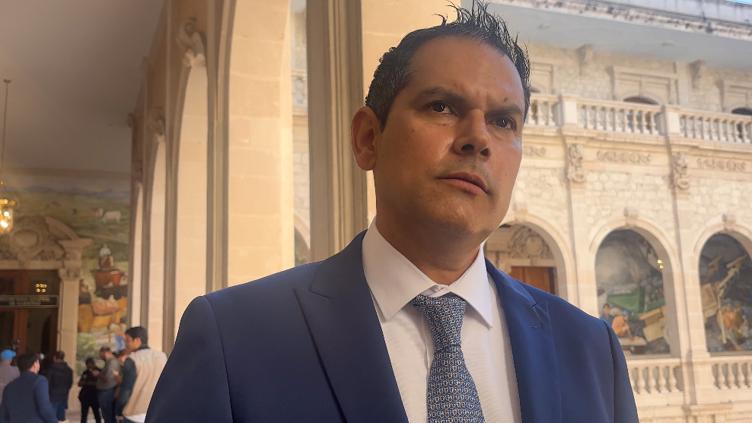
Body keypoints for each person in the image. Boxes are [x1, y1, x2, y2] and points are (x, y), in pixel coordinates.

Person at [147, 1, 638, 422]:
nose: (478, 138)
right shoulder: (235, 338)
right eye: (442, 107)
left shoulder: (590, 350)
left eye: (504, 121)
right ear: (368, 139)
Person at [116, 327, 166, 423]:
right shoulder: (163, 356)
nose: (125, 344)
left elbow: (126, 391)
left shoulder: (132, 360)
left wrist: (118, 410)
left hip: (134, 415)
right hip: (157, 412)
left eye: (127, 340)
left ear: (137, 340)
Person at [0, 353, 57, 423]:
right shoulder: (39, 381)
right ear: (35, 364)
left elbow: (3, 415)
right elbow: (45, 408)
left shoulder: (9, 387)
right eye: (38, 362)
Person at [42, 350, 73, 422]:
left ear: (54, 358)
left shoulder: (50, 369)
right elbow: (70, 384)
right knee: (61, 418)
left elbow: (46, 383)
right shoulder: (69, 370)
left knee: (50, 418)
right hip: (63, 396)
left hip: (52, 397)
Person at [96, 347, 120, 423]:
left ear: (105, 353)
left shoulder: (112, 362)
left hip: (107, 391)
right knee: (107, 415)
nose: (100, 357)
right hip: (106, 391)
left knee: (108, 415)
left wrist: (98, 375)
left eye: (100, 354)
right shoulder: (109, 362)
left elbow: (108, 379)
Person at [77, 358, 101, 423]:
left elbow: (101, 383)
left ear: (93, 364)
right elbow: (79, 383)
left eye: (90, 364)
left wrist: (90, 383)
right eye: (87, 364)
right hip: (85, 396)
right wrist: (85, 382)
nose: (88, 366)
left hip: (95, 396)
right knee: (84, 415)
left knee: (97, 414)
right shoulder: (85, 372)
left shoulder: (99, 371)